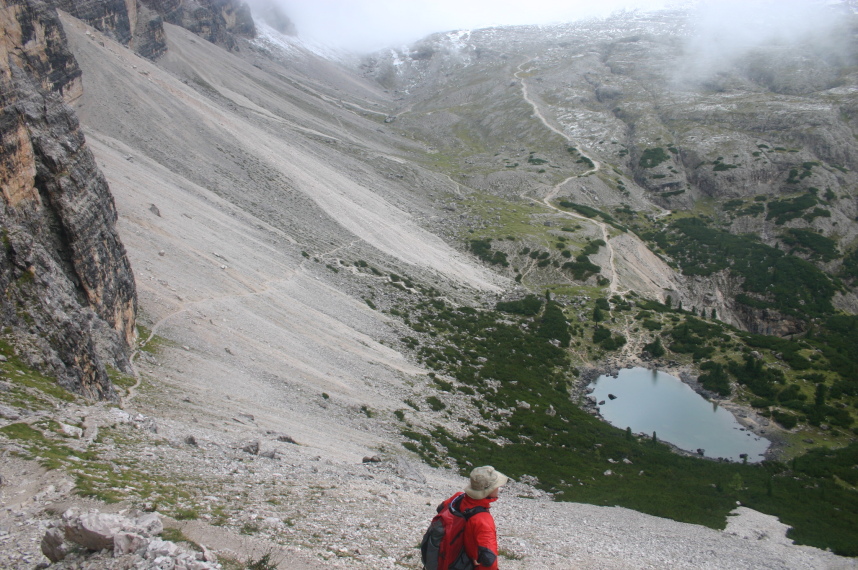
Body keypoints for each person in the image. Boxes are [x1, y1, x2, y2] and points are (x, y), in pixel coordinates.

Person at [461, 465, 508, 569]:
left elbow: (440, 508)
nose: (498, 489)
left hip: (453, 558)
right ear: (488, 491)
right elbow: (490, 562)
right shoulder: (483, 520)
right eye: (496, 486)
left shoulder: (457, 498)